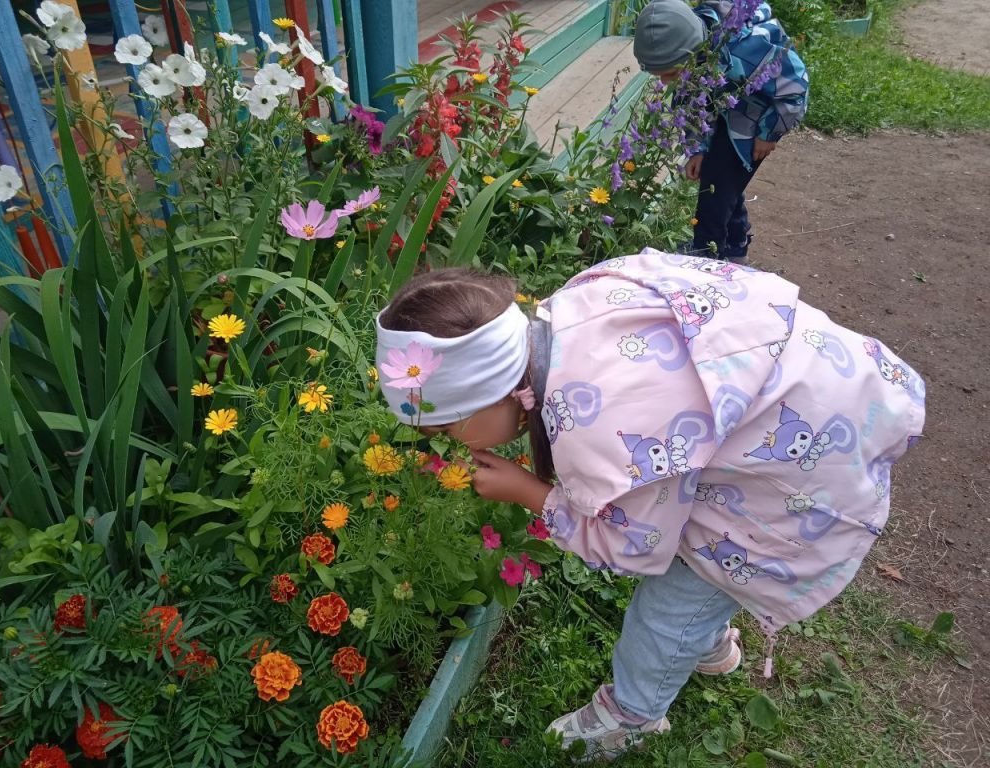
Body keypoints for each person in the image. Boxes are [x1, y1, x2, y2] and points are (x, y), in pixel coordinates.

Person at [374, 252, 924, 761]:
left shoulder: (601, 428)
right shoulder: (571, 314)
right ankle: (708, 645)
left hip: (795, 484)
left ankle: (633, 713)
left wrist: (532, 493)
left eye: (448, 425)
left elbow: (634, 545)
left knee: (669, 608)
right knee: (695, 591)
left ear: (493, 390)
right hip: (816, 397)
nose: (451, 442)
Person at [633, 0, 809, 262]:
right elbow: (690, 104)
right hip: (725, 113)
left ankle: (706, 255)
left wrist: (769, 132)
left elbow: (796, 87)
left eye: (670, 74)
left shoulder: (746, 51)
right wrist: (697, 148)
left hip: (753, 124)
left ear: (690, 53)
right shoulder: (693, 51)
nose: (664, 83)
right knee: (727, 187)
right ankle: (735, 249)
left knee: (715, 193)